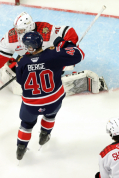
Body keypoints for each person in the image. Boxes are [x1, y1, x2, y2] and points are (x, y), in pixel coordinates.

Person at [0, 12, 107, 96]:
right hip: (28, 61)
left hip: (48, 61)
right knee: (23, 75)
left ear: (30, 28)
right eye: (17, 30)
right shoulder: (12, 37)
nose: (17, 33)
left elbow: (69, 32)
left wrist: (66, 47)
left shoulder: (47, 31)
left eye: (21, 31)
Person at [14, 31, 84, 160]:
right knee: (50, 114)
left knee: (26, 124)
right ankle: (44, 135)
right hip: (53, 101)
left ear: (28, 46)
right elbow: (79, 55)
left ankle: (21, 148)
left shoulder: (21, 61)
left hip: (31, 105)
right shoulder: (54, 54)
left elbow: (20, 80)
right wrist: (64, 43)